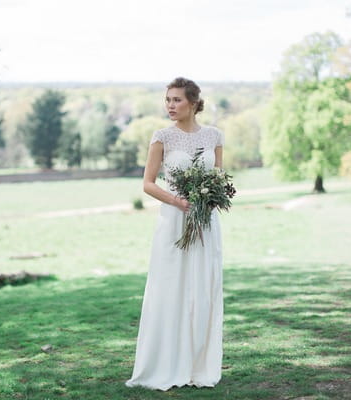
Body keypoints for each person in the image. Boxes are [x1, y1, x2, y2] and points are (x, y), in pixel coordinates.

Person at [125, 77, 224, 391]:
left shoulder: (214, 136)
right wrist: (179, 202)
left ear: (193, 102)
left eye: (177, 100)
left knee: (203, 289)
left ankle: (199, 365)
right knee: (171, 287)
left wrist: (208, 198)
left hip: (205, 222)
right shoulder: (162, 137)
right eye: (167, 100)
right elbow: (148, 183)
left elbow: (219, 178)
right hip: (173, 221)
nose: (170, 105)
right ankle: (167, 363)